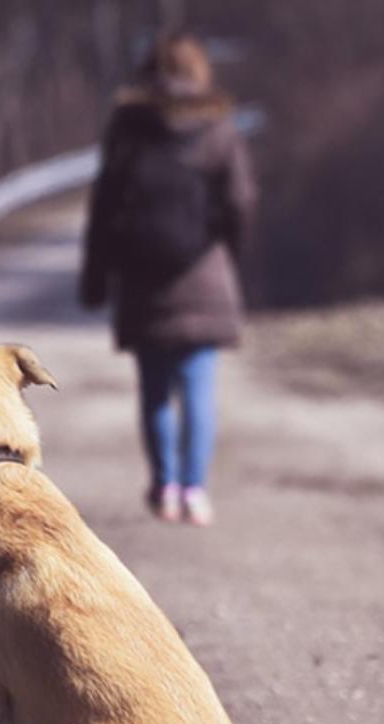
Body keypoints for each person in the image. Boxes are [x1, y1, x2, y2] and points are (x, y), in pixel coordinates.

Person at [79, 32, 257, 526]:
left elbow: (104, 207)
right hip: (204, 273)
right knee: (199, 391)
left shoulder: (127, 126)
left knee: (155, 392)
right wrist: (228, 252)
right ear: (201, 71)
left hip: (142, 281)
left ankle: (165, 487)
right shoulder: (219, 127)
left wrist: (96, 276)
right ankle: (196, 490)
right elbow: (240, 201)